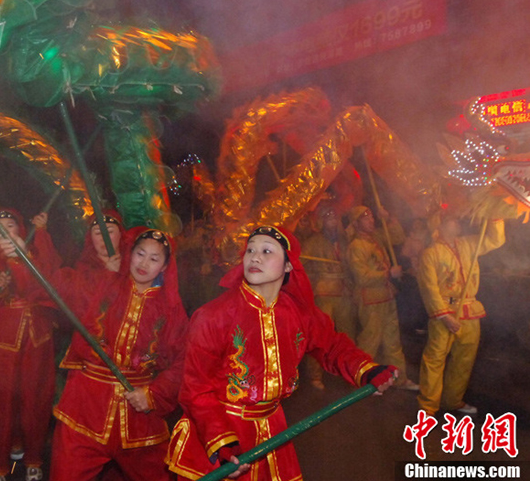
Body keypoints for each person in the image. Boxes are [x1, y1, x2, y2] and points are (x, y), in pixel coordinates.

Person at [167, 225, 396, 480]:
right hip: (220, 433)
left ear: (288, 266)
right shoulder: (212, 316)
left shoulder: (298, 313)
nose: (255, 257)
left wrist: (366, 370)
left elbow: (331, 345)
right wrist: (221, 440)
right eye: (250, 250)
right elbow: (196, 390)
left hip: (274, 434)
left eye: (267, 251)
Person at [49, 227, 189, 481]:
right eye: (140, 254)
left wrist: (153, 395)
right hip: (85, 406)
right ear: (129, 254)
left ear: (165, 267)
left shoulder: (170, 308)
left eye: (154, 259)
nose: (144, 263)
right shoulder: (105, 284)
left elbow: (182, 362)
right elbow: (63, 286)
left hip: (139, 416)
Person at [0, 209, 58, 481]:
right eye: (0, 228)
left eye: (11, 225)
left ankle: (33, 457)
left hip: (37, 336)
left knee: (35, 399)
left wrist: (27, 253)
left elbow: (48, 282)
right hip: (2, 337)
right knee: (0, 401)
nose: (6, 231)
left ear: (20, 230)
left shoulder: (32, 254)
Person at [416, 214, 505, 415]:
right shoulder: (431, 253)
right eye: (452, 219)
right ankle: (428, 406)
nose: (457, 222)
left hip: (470, 311)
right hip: (445, 314)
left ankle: (453, 400)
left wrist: (496, 216)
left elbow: (495, 240)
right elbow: (428, 288)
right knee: (435, 360)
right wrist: (443, 316)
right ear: (441, 224)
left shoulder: (468, 244)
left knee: (464, 361)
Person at [345, 205, 418, 390]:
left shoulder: (376, 238)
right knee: (370, 341)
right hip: (370, 299)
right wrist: (387, 275)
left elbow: (398, 237)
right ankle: (358, 379)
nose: (371, 221)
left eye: (371, 217)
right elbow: (361, 276)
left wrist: (389, 219)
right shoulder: (356, 246)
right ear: (356, 223)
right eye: (366, 218)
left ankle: (399, 379)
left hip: (387, 296)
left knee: (393, 341)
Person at [301, 203, 356, 389]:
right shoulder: (313, 242)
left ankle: (348, 368)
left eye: (335, 216)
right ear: (322, 221)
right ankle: (315, 374)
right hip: (324, 292)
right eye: (328, 216)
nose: (333, 219)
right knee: (320, 334)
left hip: (344, 292)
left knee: (348, 333)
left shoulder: (345, 240)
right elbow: (301, 265)